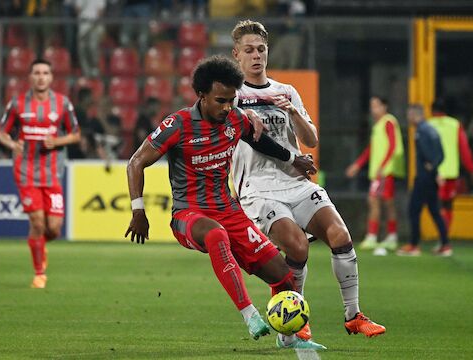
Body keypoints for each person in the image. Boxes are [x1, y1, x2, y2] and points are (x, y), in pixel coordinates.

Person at [125, 55, 326, 350]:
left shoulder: (235, 118)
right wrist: (138, 211)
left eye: (231, 100)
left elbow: (259, 141)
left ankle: (289, 338)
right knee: (216, 234)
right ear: (201, 95)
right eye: (220, 100)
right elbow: (136, 162)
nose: (227, 107)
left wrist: (294, 159)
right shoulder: (177, 125)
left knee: (284, 277)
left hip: (229, 212)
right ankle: (249, 313)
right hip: (189, 215)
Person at [230, 20, 386, 341]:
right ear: (237, 55)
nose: (256, 56)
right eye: (249, 50)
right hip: (259, 188)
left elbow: (311, 139)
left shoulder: (286, 91)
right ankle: (293, 324)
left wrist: (295, 113)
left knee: (340, 235)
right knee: (298, 247)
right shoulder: (232, 96)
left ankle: (353, 315)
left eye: (261, 49)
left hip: (296, 181)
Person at [0, 59, 81, 288]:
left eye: (45, 73)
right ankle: (39, 273)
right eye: (37, 73)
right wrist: (12, 144)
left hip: (52, 173)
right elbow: (1, 132)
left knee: (53, 228)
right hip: (25, 170)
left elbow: (75, 134)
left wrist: (57, 140)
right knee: (36, 220)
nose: (41, 76)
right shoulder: (17, 103)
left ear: (51, 77)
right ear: (30, 77)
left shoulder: (62, 104)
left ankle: (40, 246)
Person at [346, 96, 405, 251]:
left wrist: (383, 166)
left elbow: (393, 146)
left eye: (376, 106)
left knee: (374, 201)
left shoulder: (389, 122)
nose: (373, 110)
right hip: (382, 172)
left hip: (384, 171)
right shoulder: (378, 125)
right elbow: (371, 149)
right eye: (372, 106)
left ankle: (372, 236)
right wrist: (357, 165)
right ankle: (391, 237)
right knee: (386, 203)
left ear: (385, 107)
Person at [397, 104, 449, 256]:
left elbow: (427, 154)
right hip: (431, 177)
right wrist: (435, 168)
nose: (408, 118)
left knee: (413, 210)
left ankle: (414, 245)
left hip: (424, 178)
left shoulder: (420, 131)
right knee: (434, 210)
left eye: (409, 115)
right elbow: (441, 154)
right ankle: (445, 244)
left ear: (414, 115)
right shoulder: (432, 129)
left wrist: (429, 166)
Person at [429, 98, 473, 236]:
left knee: (434, 206)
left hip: (433, 173)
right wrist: (471, 169)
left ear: (432, 111)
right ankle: (445, 237)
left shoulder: (427, 125)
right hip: (450, 172)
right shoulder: (455, 125)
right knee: (447, 205)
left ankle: (440, 237)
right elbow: (464, 149)